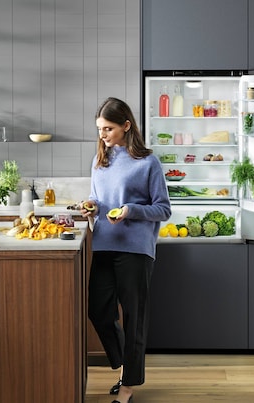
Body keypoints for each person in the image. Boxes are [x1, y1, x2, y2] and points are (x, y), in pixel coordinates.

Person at [81, 97, 172, 403]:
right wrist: (90, 206)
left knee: (134, 317)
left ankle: (128, 386)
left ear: (126, 126)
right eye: (99, 129)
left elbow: (163, 210)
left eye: (108, 128)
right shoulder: (100, 160)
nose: (102, 135)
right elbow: (97, 196)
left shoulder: (149, 163)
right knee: (98, 310)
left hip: (136, 249)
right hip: (105, 244)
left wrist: (130, 210)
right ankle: (124, 366)